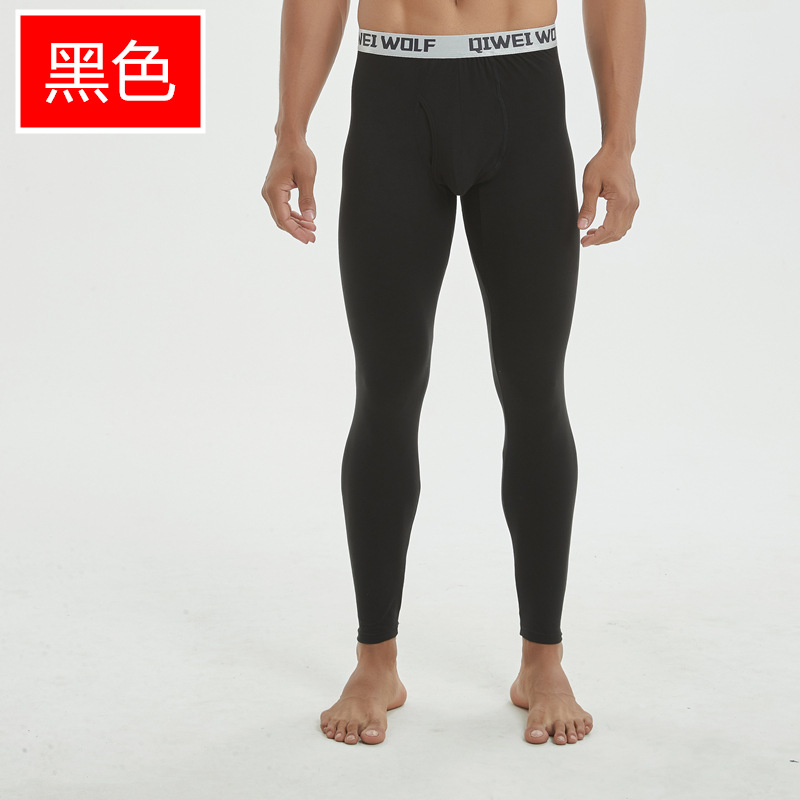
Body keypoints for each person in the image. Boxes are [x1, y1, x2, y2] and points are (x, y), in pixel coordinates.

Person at [262, 0, 644, 746]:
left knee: (535, 393)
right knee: (385, 392)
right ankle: (376, 664)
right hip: (392, 94)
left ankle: (543, 661)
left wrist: (619, 143)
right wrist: (290, 131)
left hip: (523, 91)